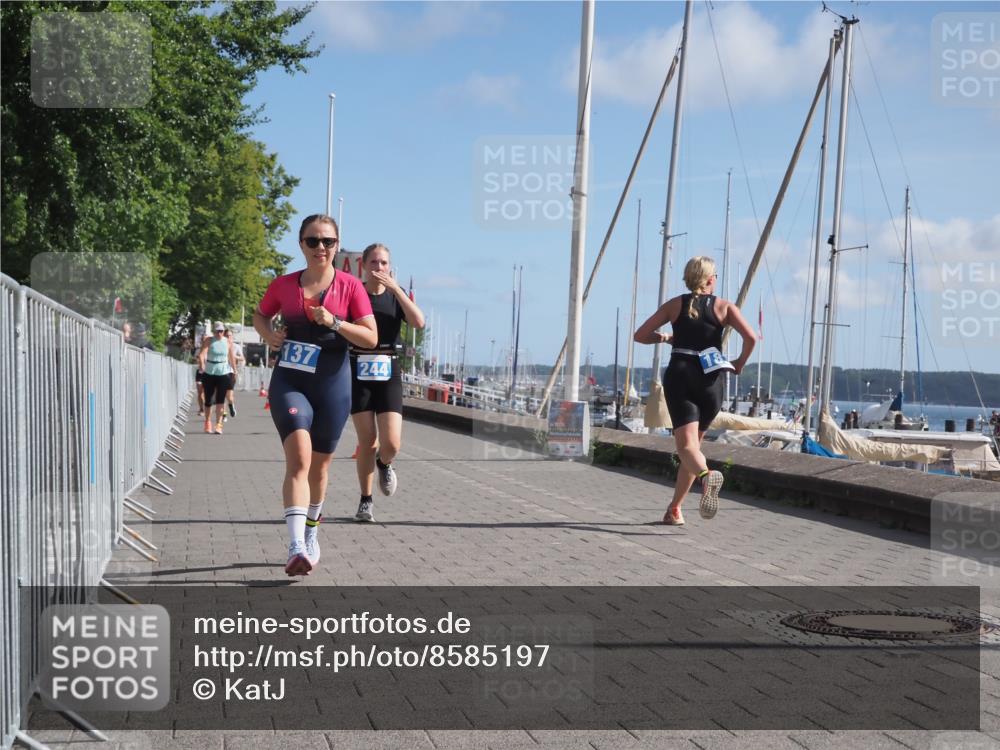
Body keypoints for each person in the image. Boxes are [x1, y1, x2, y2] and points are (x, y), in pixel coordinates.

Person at [253, 214, 377, 576]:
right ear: (301, 244)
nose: (320, 248)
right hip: (291, 381)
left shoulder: (351, 287)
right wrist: (267, 335)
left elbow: (369, 338)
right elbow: (262, 316)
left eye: (327, 242)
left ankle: (310, 533)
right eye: (312, 241)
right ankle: (294, 548)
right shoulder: (283, 285)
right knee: (299, 460)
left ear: (337, 246)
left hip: (333, 385)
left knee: (320, 469)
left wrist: (335, 322)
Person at [633, 256, 756, 525]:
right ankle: (675, 509)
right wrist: (739, 364)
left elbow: (640, 335)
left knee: (687, 447)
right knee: (693, 448)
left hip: (681, 375)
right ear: (711, 279)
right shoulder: (724, 307)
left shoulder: (675, 304)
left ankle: (706, 477)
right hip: (712, 380)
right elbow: (752, 337)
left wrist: (665, 337)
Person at [350, 243, 425, 523]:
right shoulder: (354, 294)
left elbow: (418, 322)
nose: (379, 268)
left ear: (390, 267)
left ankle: (385, 463)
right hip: (358, 368)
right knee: (367, 440)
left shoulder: (396, 295)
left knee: (391, 443)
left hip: (387, 369)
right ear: (364, 266)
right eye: (374, 263)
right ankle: (365, 501)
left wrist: (396, 290)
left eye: (383, 263)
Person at [198, 322, 236, 434]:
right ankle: (208, 422)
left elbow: (231, 357)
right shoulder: (209, 340)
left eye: (221, 331)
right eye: (217, 331)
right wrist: (202, 364)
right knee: (208, 400)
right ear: (214, 331)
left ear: (224, 331)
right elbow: (202, 354)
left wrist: (235, 369)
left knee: (220, 400)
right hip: (209, 372)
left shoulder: (228, 342)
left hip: (223, 373)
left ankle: (219, 425)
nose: (219, 333)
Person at [225, 329, 245, 418]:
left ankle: (231, 405)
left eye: (229, 336)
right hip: (219, 372)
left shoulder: (236, 347)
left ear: (232, 337)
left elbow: (242, 358)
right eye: (226, 336)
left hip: (231, 372)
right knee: (220, 394)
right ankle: (223, 414)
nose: (228, 337)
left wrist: (234, 356)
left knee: (229, 396)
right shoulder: (220, 346)